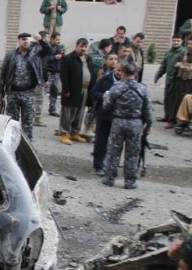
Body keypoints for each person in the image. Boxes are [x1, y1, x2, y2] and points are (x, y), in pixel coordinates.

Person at [102, 62, 153, 190]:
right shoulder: (143, 89)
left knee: (113, 152)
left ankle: (109, 179)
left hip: (118, 122)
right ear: (135, 74)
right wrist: (148, 126)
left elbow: (106, 107)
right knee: (133, 154)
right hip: (135, 124)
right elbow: (148, 110)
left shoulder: (116, 88)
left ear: (123, 73)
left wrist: (105, 98)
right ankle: (130, 181)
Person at [0, 32, 44, 140]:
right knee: (12, 122)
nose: (26, 41)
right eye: (23, 39)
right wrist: (0, 93)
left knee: (28, 121)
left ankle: (27, 143)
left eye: (28, 39)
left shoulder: (35, 54)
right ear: (18, 41)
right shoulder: (10, 55)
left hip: (28, 93)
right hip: (13, 93)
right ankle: (11, 142)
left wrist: (41, 40)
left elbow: (48, 51)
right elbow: (3, 73)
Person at [165, 38, 192, 129]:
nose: (189, 46)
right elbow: (175, 64)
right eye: (188, 44)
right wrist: (178, 65)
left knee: (190, 101)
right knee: (175, 101)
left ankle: (186, 121)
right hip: (180, 81)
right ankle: (171, 121)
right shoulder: (182, 54)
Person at [90, 55, 122, 174]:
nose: (120, 73)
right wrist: (102, 95)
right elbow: (93, 92)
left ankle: (110, 164)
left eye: (122, 71)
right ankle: (98, 165)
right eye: (118, 70)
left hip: (118, 116)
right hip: (104, 114)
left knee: (115, 142)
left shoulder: (126, 83)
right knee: (101, 140)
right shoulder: (105, 79)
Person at [57, 38, 92, 145]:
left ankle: (75, 132)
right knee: (68, 111)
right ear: (76, 46)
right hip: (72, 89)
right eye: (81, 46)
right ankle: (64, 133)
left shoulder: (88, 59)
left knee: (80, 111)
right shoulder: (69, 58)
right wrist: (66, 89)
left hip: (84, 89)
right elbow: (64, 75)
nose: (83, 49)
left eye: (85, 47)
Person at [155, 35, 185, 123]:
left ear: (182, 41)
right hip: (169, 79)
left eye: (178, 41)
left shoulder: (184, 52)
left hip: (178, 80)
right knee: (167, 98)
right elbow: (164, 65)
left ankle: (173, 118)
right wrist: (158, 75)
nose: (176, 42)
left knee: (174, 100)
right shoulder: (169, 52)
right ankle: (167, 116)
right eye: (174, 40)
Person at [43, 32, 63, 117]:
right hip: (48, 72)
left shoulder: (59, 48)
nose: (58, 41)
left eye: (59, 39)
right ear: (52, 39)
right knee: (44, 91)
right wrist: (55, 57)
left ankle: (52, 109)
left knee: (54, 91)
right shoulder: (47, 48)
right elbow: (45, 59)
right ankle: (37, 110)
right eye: (57, 39)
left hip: (56, 72)